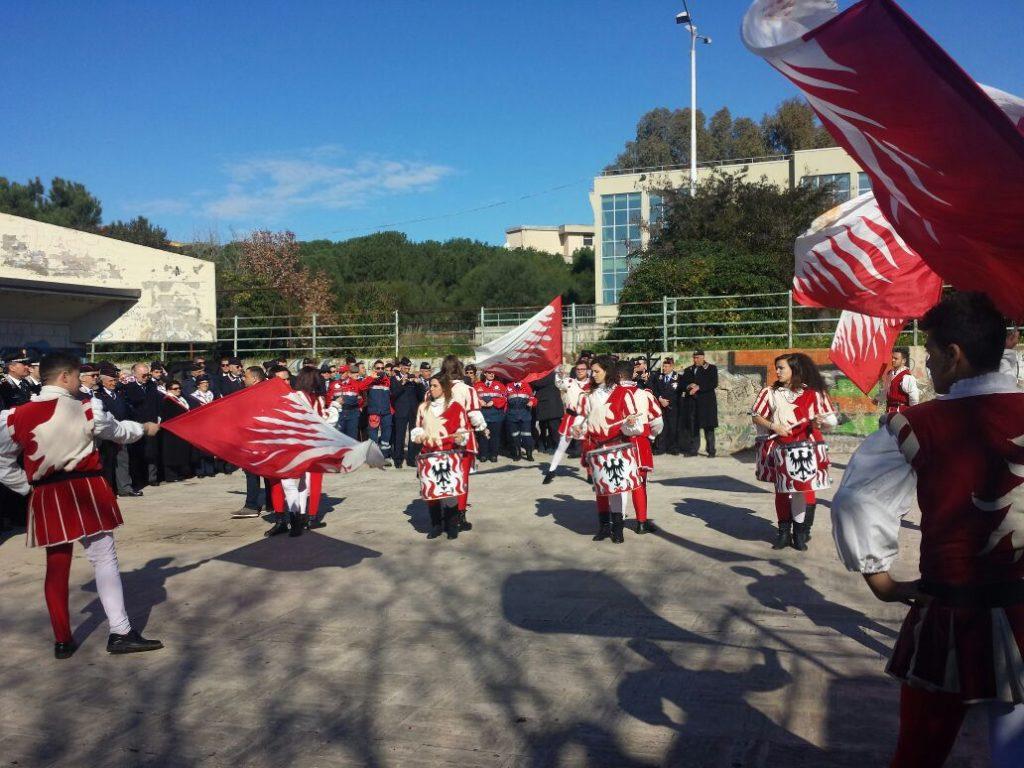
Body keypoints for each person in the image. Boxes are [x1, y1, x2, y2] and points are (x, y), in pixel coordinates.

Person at [831, 292, 1024, 768]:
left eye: (931, 353)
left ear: (954, 355)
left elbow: (857, 499)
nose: (929, 365)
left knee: (920, 751)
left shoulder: (917, 424)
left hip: (953, 613)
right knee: (1016, 748)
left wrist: (883, 582)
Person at [0, 352, 163, 658]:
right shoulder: (87, 408)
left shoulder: (14, 416)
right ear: (64, 377)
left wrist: (27, 487)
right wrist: (143, 428)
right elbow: (119, 432)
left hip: (48, 494)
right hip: (86, 488)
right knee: (104, 559)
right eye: (77, 376)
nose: (80, 382)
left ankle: (62, 640)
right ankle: (120, 632)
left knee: (56, 565)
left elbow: (2, 461)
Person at [751, 353, 836, 551]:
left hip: (806, 448)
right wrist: (774, 426)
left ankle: (800, 532)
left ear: (794, 370)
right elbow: (756, 415)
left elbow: (829, 422)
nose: (777, 371)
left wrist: (820, 422)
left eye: (781, 367)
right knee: (782, 491)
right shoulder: (769, 392)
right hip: (780, 448)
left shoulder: (813, 393)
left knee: (803, 491)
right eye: (776, 367)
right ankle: (783, 533)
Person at [574, 355, 644, 544]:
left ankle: (618, 528)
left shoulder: (623, 393)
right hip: (596, 447)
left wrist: (628, 423)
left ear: (607, 371)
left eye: (597, 371)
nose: (593, 375)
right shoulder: (589, 394)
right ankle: (604, 527)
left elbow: (636, 425)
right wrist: (579, 427)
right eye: (592, 372)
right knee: (601, 488)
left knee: (616, 488)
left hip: (617, 446)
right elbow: (583, 419)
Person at [265, 366, 340, 536]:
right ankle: (295, 519)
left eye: (287, 379)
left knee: (297, 483)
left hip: (290, 445)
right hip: (284, 445)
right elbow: (324, 419)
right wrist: (336, 406)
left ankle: (299, 519)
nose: (286, 382)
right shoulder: (304, 397)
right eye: (282, 380)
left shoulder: (296, 396)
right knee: (288, 483)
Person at [410, 373, 471, 540]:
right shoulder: (423, 407)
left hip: (449, 455)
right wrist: (418, 436)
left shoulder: (456, 407)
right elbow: (417, 428)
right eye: (430, 385)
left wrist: (460, 437)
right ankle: (436, 525)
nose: (431, 388)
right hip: (428, 455)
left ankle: (452, 526)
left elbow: (463, 429)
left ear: (444, 388)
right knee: (432, 493)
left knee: (450, 493)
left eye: (435, 385)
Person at [439, 356, 487, 531]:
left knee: (443, 476)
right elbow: (474, 415)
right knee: (461, 477)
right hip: (462, 438)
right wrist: (483, 428)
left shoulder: (434, 388)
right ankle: (459, 516)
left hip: (440, 438)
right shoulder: (467, 390)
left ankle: (445, 516)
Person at [616, 360, 663, 534]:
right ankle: (641, 523)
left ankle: (618, 522)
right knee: (639, 484)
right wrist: (651, 436)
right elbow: (657, 422)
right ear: (632, 374)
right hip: (639, 442)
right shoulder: (645, 394)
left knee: (618, 483)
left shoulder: (610, 394)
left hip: (615, 441)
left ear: (618, 375)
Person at [95, 363, 142, 498]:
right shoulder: (99, 396)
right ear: (103, 381)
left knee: (123, 460)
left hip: (121, 431)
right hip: (107, 433)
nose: (113, 383)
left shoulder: (119, 393)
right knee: (108, 463)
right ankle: (108, 489)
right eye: (110, 381)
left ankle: (125, 488)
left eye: (115, 380)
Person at [233, 366, 270, 519]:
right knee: (267, 472)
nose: (243, 379)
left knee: (252, 472)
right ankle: (271, 503)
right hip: (264, 438)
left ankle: (251, 506)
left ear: (254, 379)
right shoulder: (266, 390)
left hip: (257, 438)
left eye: (246, 377)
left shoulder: (256, 393)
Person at [124, 362, 163, 489]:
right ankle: (139, 479)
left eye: (148, 375)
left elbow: (157, 403)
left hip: (152, 423)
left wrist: (158, 418)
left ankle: (152, 477)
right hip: (138, 425)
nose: (146, 377)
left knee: (152, 452)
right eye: (143, 375)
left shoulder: (152, 385)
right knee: (137, 452)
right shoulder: (129, 388)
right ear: (135, 375)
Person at [681, 350, 719, 457]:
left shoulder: (711, 368)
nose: (695, 360)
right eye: (694, 357)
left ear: (703, 357)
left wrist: (699, 387)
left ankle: (711, 451)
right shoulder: (688, 370)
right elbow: (682, 384)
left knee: (709, 428)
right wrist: (689, 386)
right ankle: (693, 450)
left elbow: (713, 383)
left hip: (707, 404)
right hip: (692, 403)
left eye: (697, 357)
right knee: (693, 427)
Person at [159, 380, 194, 482]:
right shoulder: (167, 400)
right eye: (175, 389)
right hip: (171, 431)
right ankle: (171, 476)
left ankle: (180, 473)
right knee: (172, 453)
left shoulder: (180, 399)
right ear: (169, 390)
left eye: (179, 388)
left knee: (179, 452)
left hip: (181, 429)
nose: (178, 390)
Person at [389, 357, 420, 469]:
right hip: (401, 410)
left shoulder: (412, 377)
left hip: (412, 410)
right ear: (401, 367)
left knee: (413, 436)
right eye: (406, 367)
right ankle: (398, 459)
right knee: (400, 436)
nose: (407, 369)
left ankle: (411, 459)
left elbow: (419, 395)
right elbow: (394, 394)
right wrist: (402, 383)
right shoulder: (394, 378)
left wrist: (419, 383)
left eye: (409, 368)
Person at [474, 369, 507, 462]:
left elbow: (504, 398)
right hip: (482, 415)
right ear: (485, 374)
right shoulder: (477, 385)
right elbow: (472, 397)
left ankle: (493, 455)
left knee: (495, 436)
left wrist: (494, 401)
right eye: (489, 373)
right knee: (483, 435)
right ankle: (483, 454)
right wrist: (479, 401)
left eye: (493, 373)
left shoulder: (500, 385)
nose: (492, 374)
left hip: (496, 415)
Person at [877, 347, 920, 417]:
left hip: (901, 413)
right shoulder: (890, 374)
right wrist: (877, 399)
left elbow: (914, 399)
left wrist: (912, 414)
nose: (893, 360)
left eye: (896, 358)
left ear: (903, 360)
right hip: (889, 411)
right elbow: (886, 390)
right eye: (892, 358)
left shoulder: (907, 377)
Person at [652, 357, 683, 455]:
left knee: (673, 428)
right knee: (662, 427)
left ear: (672, 367)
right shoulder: (659, 377)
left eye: (666, 366)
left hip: (673, 407)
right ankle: (660, 448)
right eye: (663, 366)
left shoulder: (678, 377)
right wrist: (660, 399)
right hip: (661, 406)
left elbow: (679, 393)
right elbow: (654, 389)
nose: (664, 368)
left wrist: (669, 402)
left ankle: (673, 448)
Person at [187, 377, 217, 477]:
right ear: (198, 385)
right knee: (199, 448)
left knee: (209, 447)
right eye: (203, 383)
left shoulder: (212, 394)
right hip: (199, 424)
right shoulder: (193, 397)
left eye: (207, 382)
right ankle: (200, 471)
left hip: (210, 423)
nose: (205, 384)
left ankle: (210, 469)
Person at [363, 360, 393, 458]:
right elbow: (361, 387)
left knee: (386, 438)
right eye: (378, 368)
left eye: (382, 368)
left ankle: (385, 456)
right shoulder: (369, 379)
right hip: (374, 412)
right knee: (373, 438)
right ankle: (374, 457)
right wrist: (371, 378)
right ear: (374, 369)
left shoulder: (387, 380)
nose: (380, 370)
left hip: (386, 413)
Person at [530, 368, 564, 452]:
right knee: (543, 426)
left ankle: (556, 446)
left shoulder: (550, 372)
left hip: (552, 405)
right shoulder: (538, 373)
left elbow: (539, 383)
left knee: (553, 427)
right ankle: (543, 444)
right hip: (542, 404)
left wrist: (530, 379)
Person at [505, 378, 537, 461]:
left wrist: (532, 402)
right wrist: (505, 413)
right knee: (515, 436)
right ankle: (517, 454)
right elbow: (505, 400)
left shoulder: (526, 385)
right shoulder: (508, 386)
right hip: (512, 414)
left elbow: (532, 398)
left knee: (527, 435)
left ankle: (529, 454)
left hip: (524, 413)